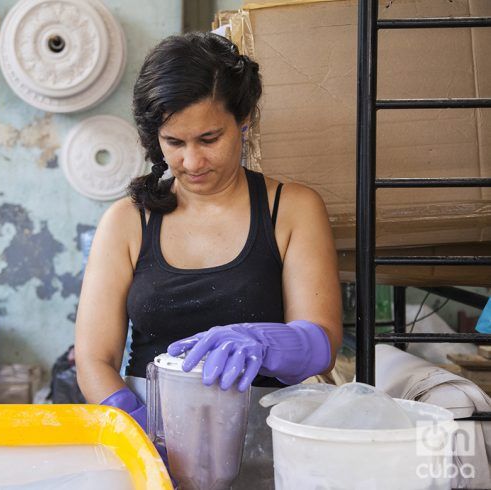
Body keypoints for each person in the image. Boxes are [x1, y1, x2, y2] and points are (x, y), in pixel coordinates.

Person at [74, 31, 342, 456]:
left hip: (265, 443)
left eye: (209, 139)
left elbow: (324, 344)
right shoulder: (127, 222)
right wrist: (136, 425)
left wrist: (267, 342)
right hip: (150, 435)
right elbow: (93, 358)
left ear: (244, 119)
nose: (192, 162)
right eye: (174, 143)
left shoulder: (292, 209)